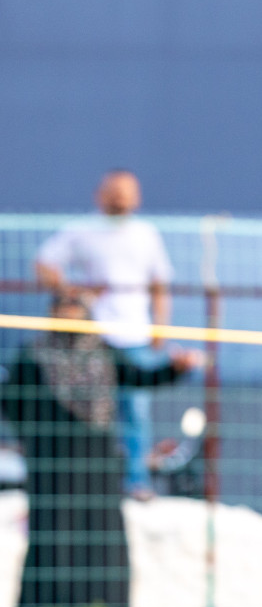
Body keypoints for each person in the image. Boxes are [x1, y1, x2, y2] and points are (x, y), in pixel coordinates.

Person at [0, 294, 199, 607]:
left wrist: (175, 368)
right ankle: (50, 604)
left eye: (75, 313)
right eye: (62, 313)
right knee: (54, 528)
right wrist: (31, 438)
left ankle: (102, 602)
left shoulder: (102, 351)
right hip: (50, 456)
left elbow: (140, 377)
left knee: (99, 528)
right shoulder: (34, 354)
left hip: (96, 455)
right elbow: (11, 402)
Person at [35, 170, 175, 501]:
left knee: (135, 411)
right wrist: (71, 292)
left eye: (127, 191)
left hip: (134, 336)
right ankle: (87, 479)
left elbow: (160, 285)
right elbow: (44, 263)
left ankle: (135, 481)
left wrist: (161, 326)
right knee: (87, 411)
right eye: (114, 191)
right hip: (92, 339)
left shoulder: (146, 234)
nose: (120, 198)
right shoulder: (82, 231)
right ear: (100, 194)